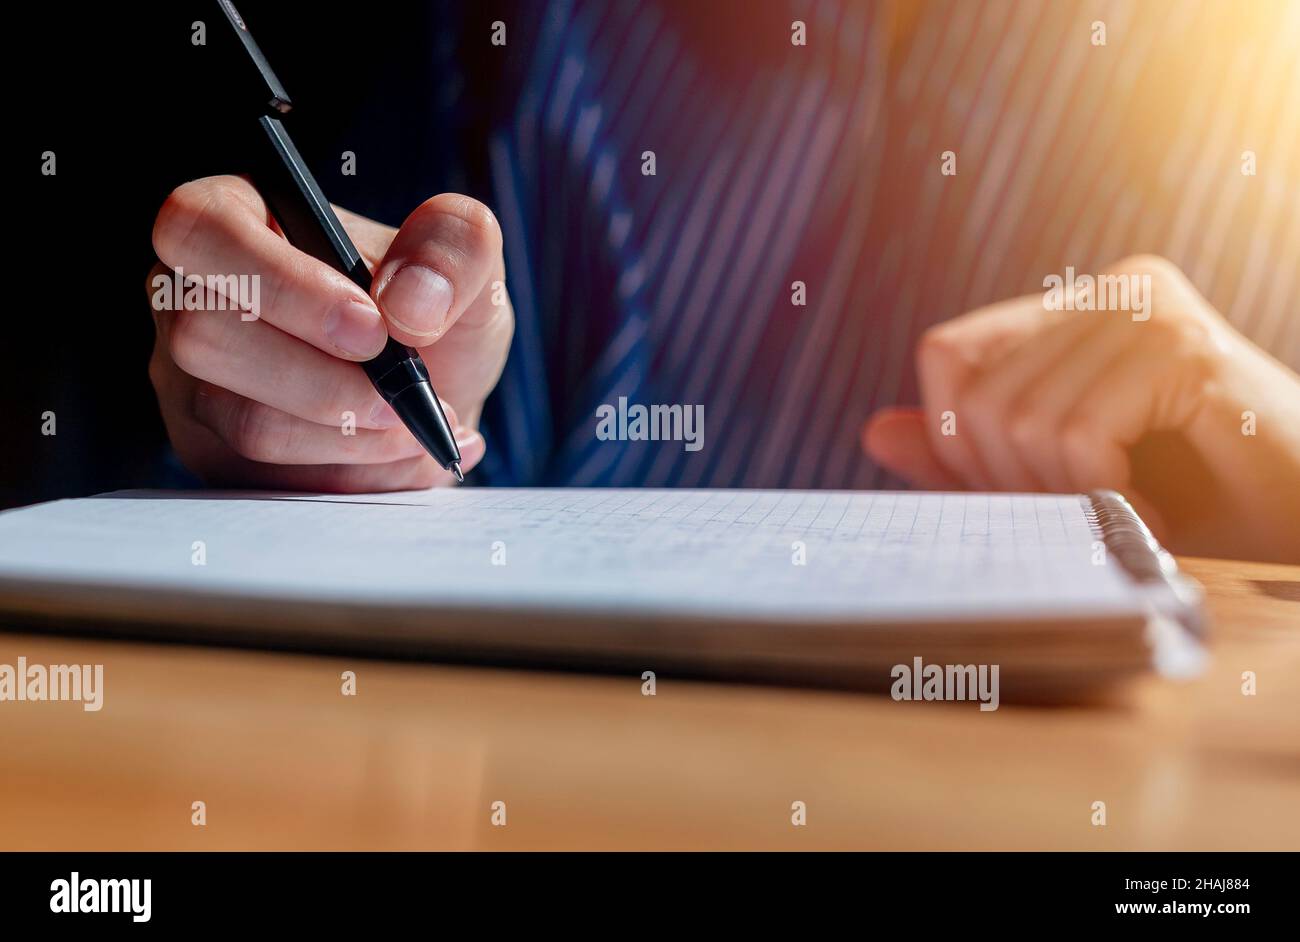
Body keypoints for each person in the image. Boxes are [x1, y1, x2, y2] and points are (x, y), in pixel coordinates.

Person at [143, 0, 1300, 561]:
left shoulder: (1253, 72)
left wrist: (1258, 421)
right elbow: (396, 371)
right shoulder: (533, 32)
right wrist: (318, 406)